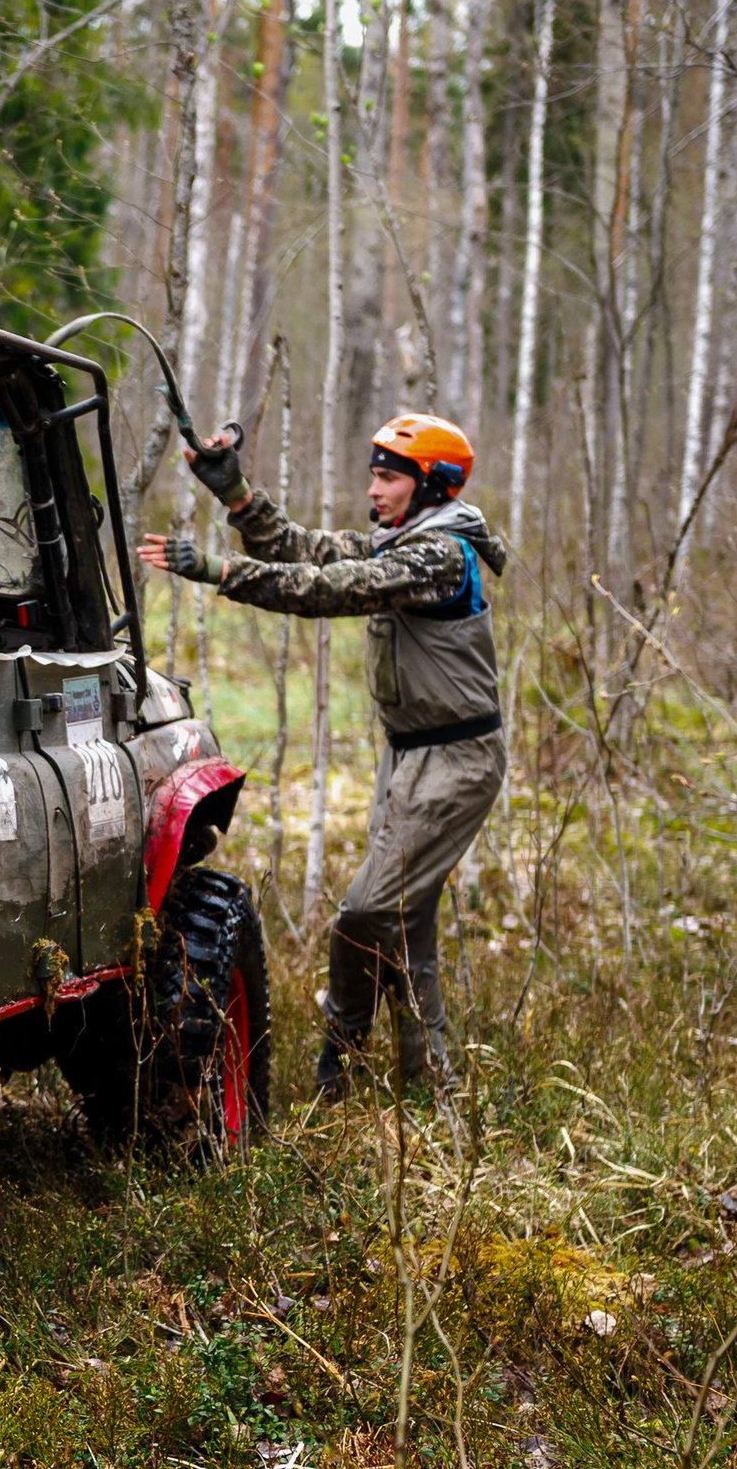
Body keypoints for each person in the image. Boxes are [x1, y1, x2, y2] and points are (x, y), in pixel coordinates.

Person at [136, 414, 506, 1098]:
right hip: (412, 758)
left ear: (434, 487)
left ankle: (341, 1060)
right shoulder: (401, 539)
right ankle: (432, 1086)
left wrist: (215, 569)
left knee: (366, 912)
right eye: (375, 473)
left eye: (390, 476)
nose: (376, 487)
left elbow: (331, 590)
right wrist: (238, 496)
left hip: (457, 760)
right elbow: (306, 550)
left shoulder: (439, 556)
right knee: (406, 918)